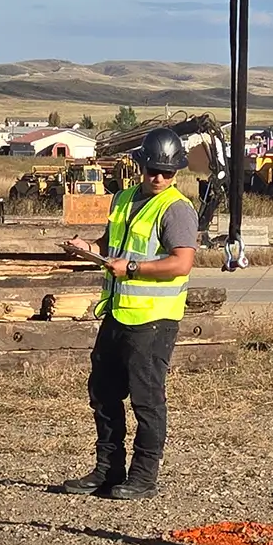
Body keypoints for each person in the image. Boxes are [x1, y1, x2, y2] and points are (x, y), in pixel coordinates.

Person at [59, 127, 198, 499]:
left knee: (146, 399)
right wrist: (88, 248)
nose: (159, 177)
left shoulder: (177, 209)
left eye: (167, 172)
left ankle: (143, 476)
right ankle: (107, 470)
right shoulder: (122, 199)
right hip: (118, 313)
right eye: (153, 169)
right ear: (140, 165)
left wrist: (133, 270)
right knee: (103, 393)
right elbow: (113, 244)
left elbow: (181, 263)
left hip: (154, 319)